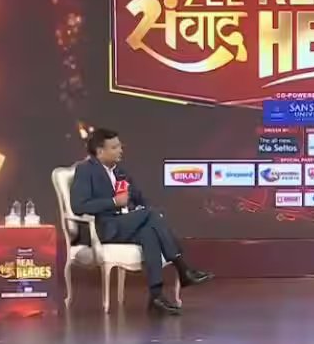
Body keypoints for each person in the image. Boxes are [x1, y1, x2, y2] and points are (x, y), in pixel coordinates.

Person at [70, 128, 213, 315]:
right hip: (104, 227)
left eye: (120, 146)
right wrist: (113, 202)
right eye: (114, 147)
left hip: (127, 224)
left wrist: (143, 209)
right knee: (151, 215)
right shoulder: (85, 170)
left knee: (149, 232)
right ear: (100, 151)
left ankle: (156, 297)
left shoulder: (120, 172)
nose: (120, 150)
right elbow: (78, 206)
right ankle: (182, 268)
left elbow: (140, 198)